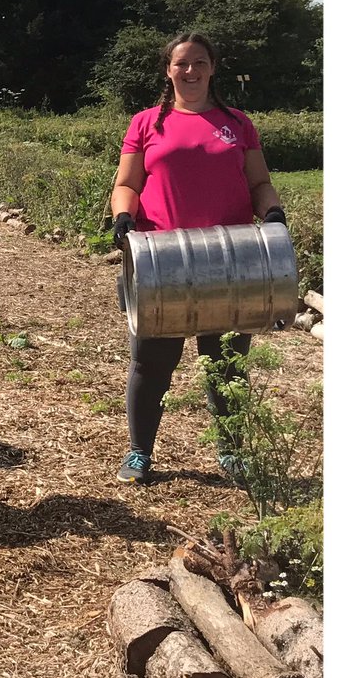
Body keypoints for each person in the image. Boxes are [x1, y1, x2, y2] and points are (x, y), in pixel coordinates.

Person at [110, 32, 285, 485]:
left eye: (200, 63)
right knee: (151, 363)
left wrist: (272, 211)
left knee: (226, 361)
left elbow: (258, 183)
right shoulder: (147, 122)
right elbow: (126, 184)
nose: (191, 71)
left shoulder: (237, 123)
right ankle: (139, 453)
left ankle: (230, 452)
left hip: (232, 260)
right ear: (168, 70)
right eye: (182, 64)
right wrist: (123, 219)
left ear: (213, 68)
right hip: (162, 260)